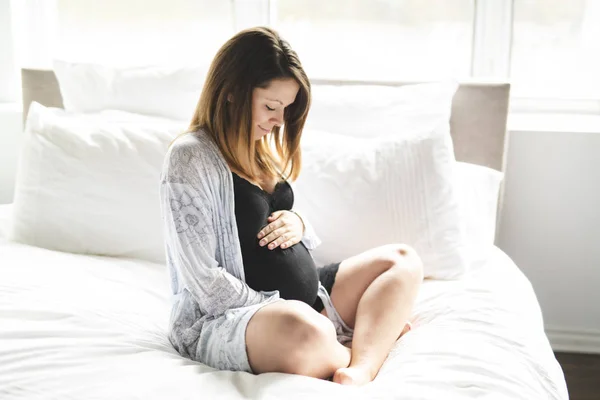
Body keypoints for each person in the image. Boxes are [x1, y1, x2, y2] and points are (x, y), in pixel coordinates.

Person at [160, 26, 423, 386]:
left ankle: (359, 366)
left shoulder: (257, 149)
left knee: (402, 260)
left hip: (313, 300)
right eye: (271, 106)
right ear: (233, 93)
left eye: (285, 109)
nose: (278, 121)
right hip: (235, 318)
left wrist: (298, 223)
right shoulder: (190, 158)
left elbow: (273, 222)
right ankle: (367, 345)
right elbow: (203, 280)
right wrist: (281, 307)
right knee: (302, 329)